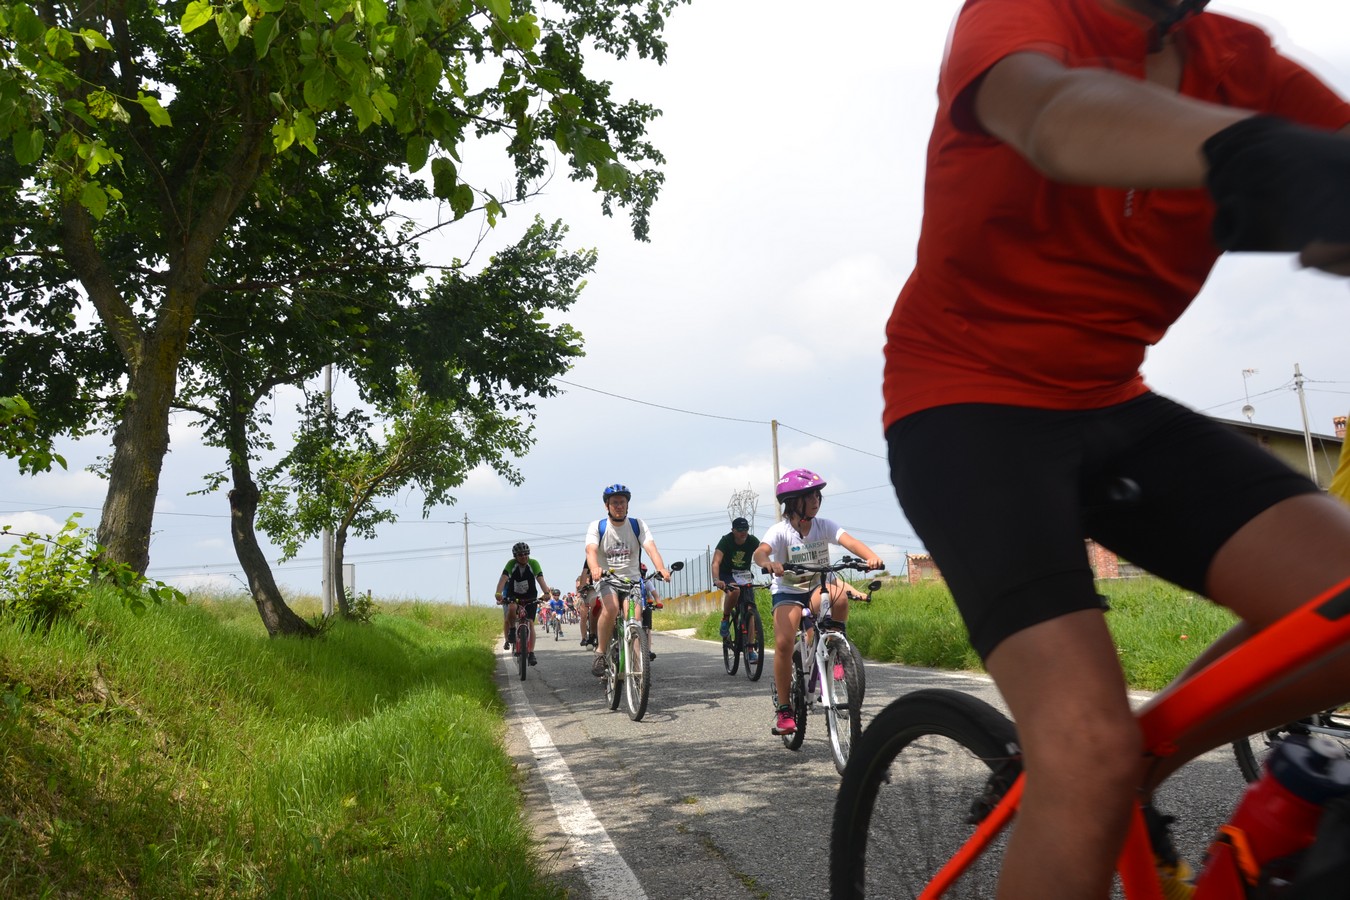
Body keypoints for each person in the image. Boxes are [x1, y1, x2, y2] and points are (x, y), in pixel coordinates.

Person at [882, 1, 1350, 896]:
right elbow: (1055, 115)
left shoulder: (1239, 63)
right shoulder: (1023, 14)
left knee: (1335, 609)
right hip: (964, 407)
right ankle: (1095, 769)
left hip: (1111, 398)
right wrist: (1251, 148)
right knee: (1084, 752)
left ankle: (1136, 767)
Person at [752, 469, 883, 737]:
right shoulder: (780, 531)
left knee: (838, 597)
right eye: (809, 496)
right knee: (784, 643)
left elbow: (851, 542)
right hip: (788, 590)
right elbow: (760, 552)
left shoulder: (824, 525)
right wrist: (768, 563)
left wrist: (871, 557)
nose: (816, 500)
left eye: (817, 495)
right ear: (793, 502)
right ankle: (785, 709)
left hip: (816, 586)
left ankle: (835, 651)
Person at [585, 484, 671, 677]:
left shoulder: (637, 525)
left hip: (632, 581)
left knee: (635, 619)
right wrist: (595, 568)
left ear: (627, 505)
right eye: (614, 503)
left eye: (622, 502)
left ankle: (638, 667)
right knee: (611, 608)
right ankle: (600, 652)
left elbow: (651, 548)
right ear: (607, 506)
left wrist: (661, 568)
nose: (619, 506)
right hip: (607, 579)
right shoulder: (597, 527)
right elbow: (590, 551)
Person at [711, 516, 762, 663]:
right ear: (733, 530)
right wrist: (717, 580)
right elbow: (716, 562)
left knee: (751, 610)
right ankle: (726, 618)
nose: (743, 532)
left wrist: (770, 568)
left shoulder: (752, 541)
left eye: (745, 529)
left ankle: (750, 650)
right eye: (740, 530)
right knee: (735, 591)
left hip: (744, 575)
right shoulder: (726, 541)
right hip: (727, 575)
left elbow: (761, 555)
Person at [493, 542, 552, 667]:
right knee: (512, 607)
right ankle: (512, 630)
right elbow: (503, 579)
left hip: (530, 595)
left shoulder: (533, 563)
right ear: (515, 556)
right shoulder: (511, 564)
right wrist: (498, 593)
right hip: (514, 594)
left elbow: (540, 580)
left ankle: (531, 653)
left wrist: (546, 593)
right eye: (520, 555)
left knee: (530, 622)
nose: (524, 557)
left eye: (526, 554)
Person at [575, 560, 596, 647]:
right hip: (584, 595)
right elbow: (579, 589)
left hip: (596, 591)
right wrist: (581, 588)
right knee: (583, 616)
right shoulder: (580, 579)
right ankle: (584, 638)